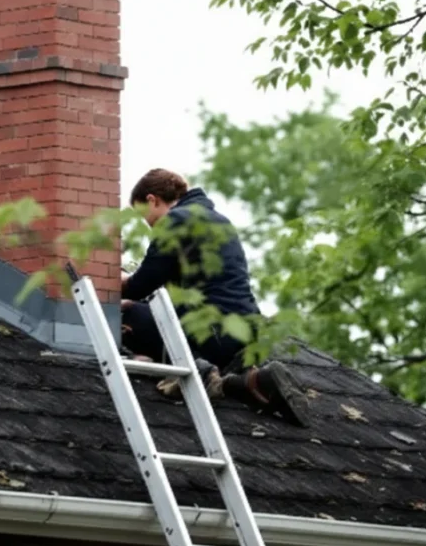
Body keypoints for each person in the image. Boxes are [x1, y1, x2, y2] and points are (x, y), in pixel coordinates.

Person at [120, 169, 310, 427]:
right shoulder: (217, 220)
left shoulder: (174, 221)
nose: (147, 224)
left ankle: (201, 372)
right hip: (243, 332)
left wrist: (115, 282)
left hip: (209, 330)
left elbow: (140, 285)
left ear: (152, 199)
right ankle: (251, 383)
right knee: (158, 318)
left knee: (126, 313)